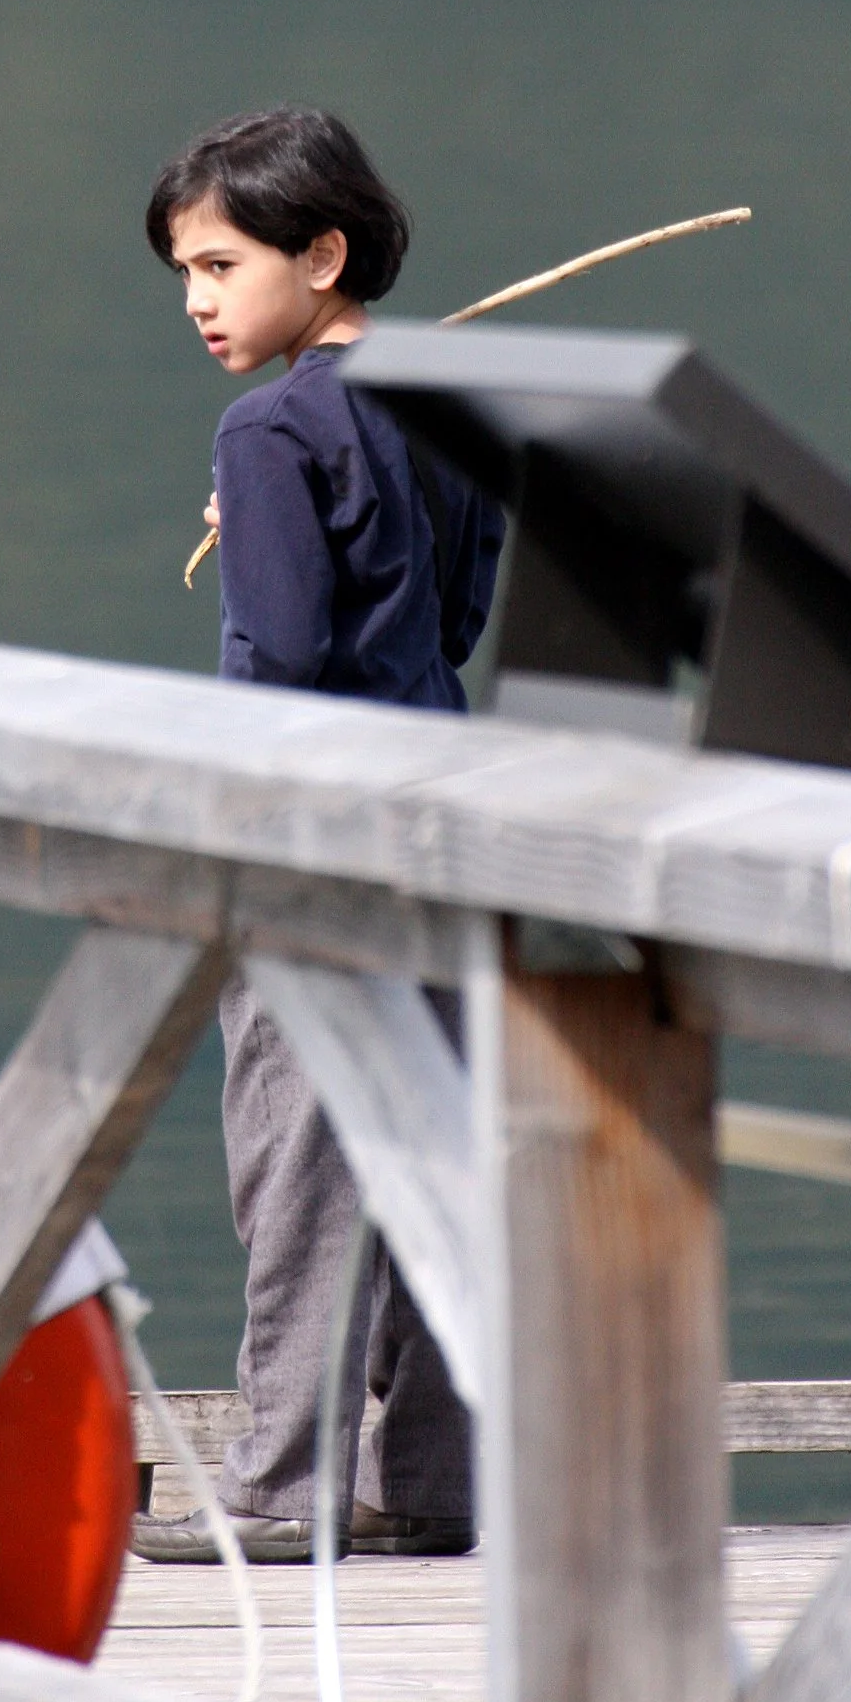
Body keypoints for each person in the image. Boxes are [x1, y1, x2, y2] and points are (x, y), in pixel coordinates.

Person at [131, 105, 504, 1566]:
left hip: (312, 833)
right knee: (430, 1142)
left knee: (297, 1152)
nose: (199, 302)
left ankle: (282, 1489)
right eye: (185, 275)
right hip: (445, 809)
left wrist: (259, 515)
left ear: (323, 251)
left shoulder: (271, 424)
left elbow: (281, 651)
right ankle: (422, 1482)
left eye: (220, 265)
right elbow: (457, 621)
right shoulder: (448, 407)